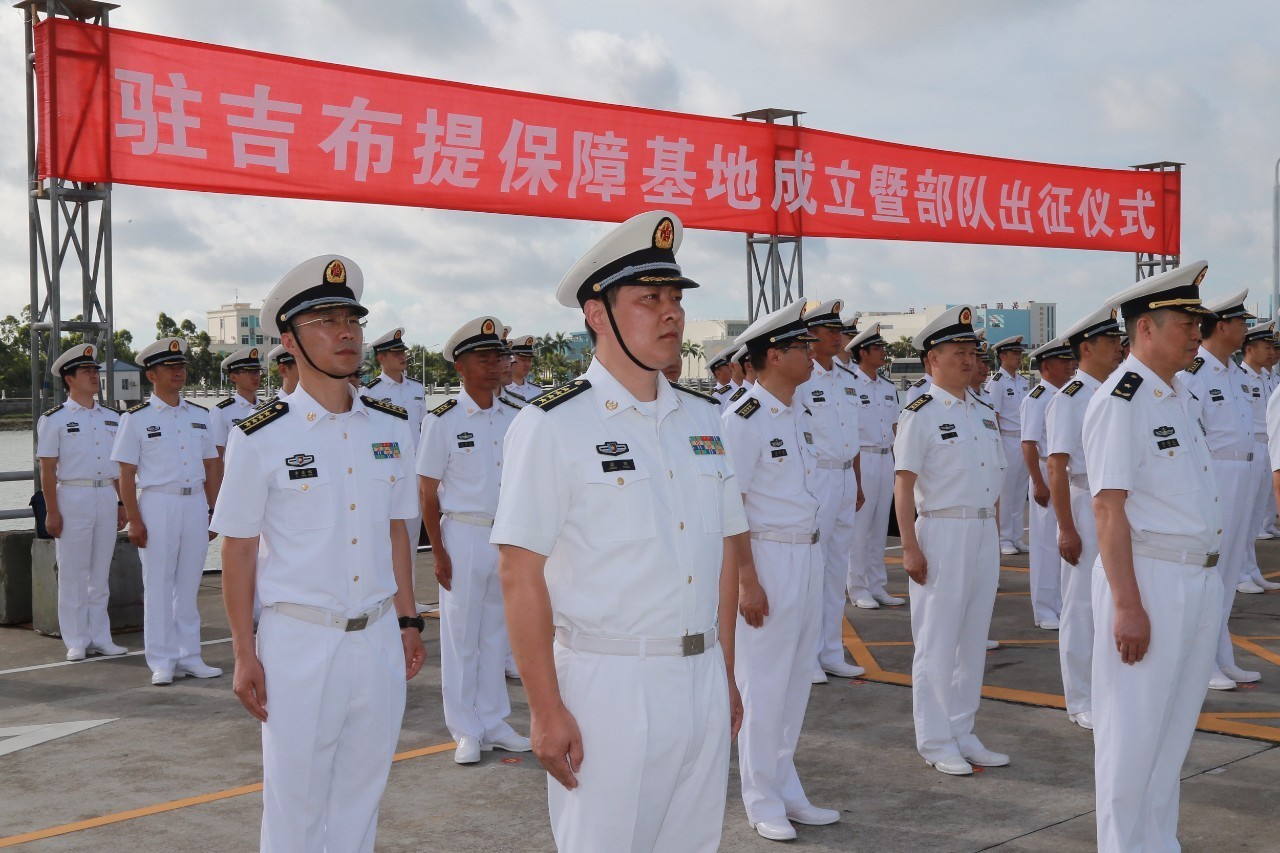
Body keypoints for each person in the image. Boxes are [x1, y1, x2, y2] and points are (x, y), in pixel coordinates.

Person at [492, 211, 748, 852]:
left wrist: (726, 674)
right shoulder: (554, 425)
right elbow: (519, 573)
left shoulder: (703, 418)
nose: (671, 315)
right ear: (597, 314)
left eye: (675, 299)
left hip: (700, 677)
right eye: (649, 299)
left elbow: (719, 554)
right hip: (610, 684)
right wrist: (546, 710)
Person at [212, 255, 426, 852]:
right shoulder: (261, 436)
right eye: (325, 320)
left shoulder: (389, 428)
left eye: (351, 319)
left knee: (362, 800)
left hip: (379, 635)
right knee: (295, 809)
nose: (346, 332)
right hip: (300, 640)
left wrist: (409, 621)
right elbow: (238, 550)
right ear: (289, 340)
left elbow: (394, 534)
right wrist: (243, 652)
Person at [1085, 261, 1223, 852]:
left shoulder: (1179, 394)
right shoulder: (1123, 399)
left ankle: (1157, 842)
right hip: (1149, 578)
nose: (1198, 334)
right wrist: (1127, 606)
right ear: (1146, 329)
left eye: (1198, 324)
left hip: (1195, 577)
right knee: (1132, 732)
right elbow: (1108, 510)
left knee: (1172, 729)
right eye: (1186, 324)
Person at [722, 300, 841, 841]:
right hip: (767, 557)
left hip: (807, 553)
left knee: (795, 680)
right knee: (764, 682)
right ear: (774, 354)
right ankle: (760, 796)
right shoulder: (742, 418)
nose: (812, 353)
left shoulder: (798, 412)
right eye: (800, 347)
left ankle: (786, 784)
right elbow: (732, 507)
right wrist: (747, 578)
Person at [893, 305, 1008, 776]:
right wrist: (909, 546)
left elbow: (994, 479)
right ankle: (936, 739)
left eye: (971, 352)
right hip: (940, 529)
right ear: (931, 360)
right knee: (938, 640)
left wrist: (996, 535)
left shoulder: (982, 412)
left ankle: (963, 728)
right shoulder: (918, 413)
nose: (968, 360)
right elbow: (903, 483)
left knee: (971, 637)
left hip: (981, 531)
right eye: (957, 352)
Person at [418, 315, 530, 765]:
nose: (494, 364)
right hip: (462, 532)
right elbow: (426, 490)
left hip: (504, 535)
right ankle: (465, 728)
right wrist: (438, 552)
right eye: (482, 358)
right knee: (461, 635)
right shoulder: (442, 419)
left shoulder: (517, 417)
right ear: (460, 367)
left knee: (496, 634)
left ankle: (495, 720)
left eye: (497, 356)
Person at [111, 337, 221, 686]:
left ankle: (190, 656)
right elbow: (125, 474)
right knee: (158, 584)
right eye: (170, 367)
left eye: (181, 366)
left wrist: (213, 508)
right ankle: (161, 660)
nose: (179, 372)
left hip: (193, 504)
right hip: (158, 502)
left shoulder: (200, 416)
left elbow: (211, 465)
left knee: (189, 585)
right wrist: (134, 519)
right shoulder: (136, 419)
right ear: (151, 375)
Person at [1044, 306, 1124, 731]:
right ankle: (1080, 697)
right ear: (1086, 348)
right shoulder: (1070, 398)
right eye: (1110, 341)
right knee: (1079, 603)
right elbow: (1056, 467)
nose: (1118, 347)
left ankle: (1107, 689)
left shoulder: (1116, 391)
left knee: (1113, 598)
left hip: (1114, 504)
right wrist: (1066, 527)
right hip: (1082, 498)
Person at [1178, 289, 1260, 690]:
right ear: (1222, 325)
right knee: (1209, 573)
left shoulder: (1237, 374)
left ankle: (1221, 655)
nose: (1247, 330)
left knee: (1227, 574)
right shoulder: (1193, 374)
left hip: (1243, 472)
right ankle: (1201, 661)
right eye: (1241, 322)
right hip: (1217, 475)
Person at [36, 344, 128, 661]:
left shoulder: (113, 418)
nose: (94, 376)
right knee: (74, 572)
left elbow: (120, 466)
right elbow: (47, 469)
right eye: (87, 372)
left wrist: (122, 503)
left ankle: (101, 636)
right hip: (72, 495)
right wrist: (52, 510)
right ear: (69, 378)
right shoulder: (54, 420)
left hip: (105, 494)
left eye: (95, 371)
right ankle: (75, 639)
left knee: (100, 573)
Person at [796, 299, 866, 683]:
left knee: (837, 568)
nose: (838, 336)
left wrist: (855, 481)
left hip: (843, 477)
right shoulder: (802, 378)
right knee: (812, 570)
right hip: (816, 478)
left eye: (839, 330)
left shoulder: (846, 377)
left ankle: (831, 650)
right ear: (812, 336)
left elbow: (850, 435)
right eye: (830, 330)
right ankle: (806, 657)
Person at [844, 322, 904, 611]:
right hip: (862, 457)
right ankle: (857, 587)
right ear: (862, 352)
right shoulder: (850, 383)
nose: (883, 353)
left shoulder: (888, 387)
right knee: (860, 527)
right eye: (878, 348)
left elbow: (895, 426)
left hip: (885, 457)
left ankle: (877, 584)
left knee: (880, 524)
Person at [1021, 338, 1078, 630]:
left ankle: (1060, 603)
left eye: (1071, 359)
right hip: (1046, 471)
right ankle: (1044, 609)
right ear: (1046, 366)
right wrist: (1038, 482)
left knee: (1066, 543)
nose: (1070, 365)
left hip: (1068, 476)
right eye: (1063, 361)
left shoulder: (1068, 395)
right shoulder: (1038, 397)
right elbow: (1029, 444)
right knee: (1044, 545)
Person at [364, 328, 428, 552]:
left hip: (415, 469)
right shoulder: (370, 392)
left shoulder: (417, 388)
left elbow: (423, 428)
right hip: (387, 470)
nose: (403, 356)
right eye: (395, 353)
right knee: (384, 539)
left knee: (410, 538)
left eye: (403, 351)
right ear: (381, 357)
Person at [1237, 321, 1279, 594]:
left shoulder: (1266, 378)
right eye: (1267, 347)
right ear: (1249, 349)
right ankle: (1239, 573)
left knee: (1253, 518)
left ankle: (1251, 570)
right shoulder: (1240, 378)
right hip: (1247, 450)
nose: (1272, 352)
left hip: (1266, 448)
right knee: (1240, 518)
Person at [987, 335, 1031, 556]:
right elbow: (993, 415)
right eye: (1014, 353)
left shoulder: (1023, 382)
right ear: (1003, 356)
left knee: (1019, 492)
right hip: (1006, 439)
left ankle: (1016, 537)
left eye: (1019, 353)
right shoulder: (997, 383)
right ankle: (1004, 538)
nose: (1018, 357)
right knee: (1005, 492)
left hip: (1023, 439)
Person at [211, 346, 264, 466]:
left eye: (257, 371)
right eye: (248, 372)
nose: (255, 376)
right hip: (236, 478)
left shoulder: (267, 408)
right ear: (233, 377)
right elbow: (216, 455)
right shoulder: (221, 411)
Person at [504, 334, 543, 405]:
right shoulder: (502, 390)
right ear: (511, 360)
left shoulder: (537, 391)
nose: (527, 364)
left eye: (529, 360)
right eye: (523, 359)